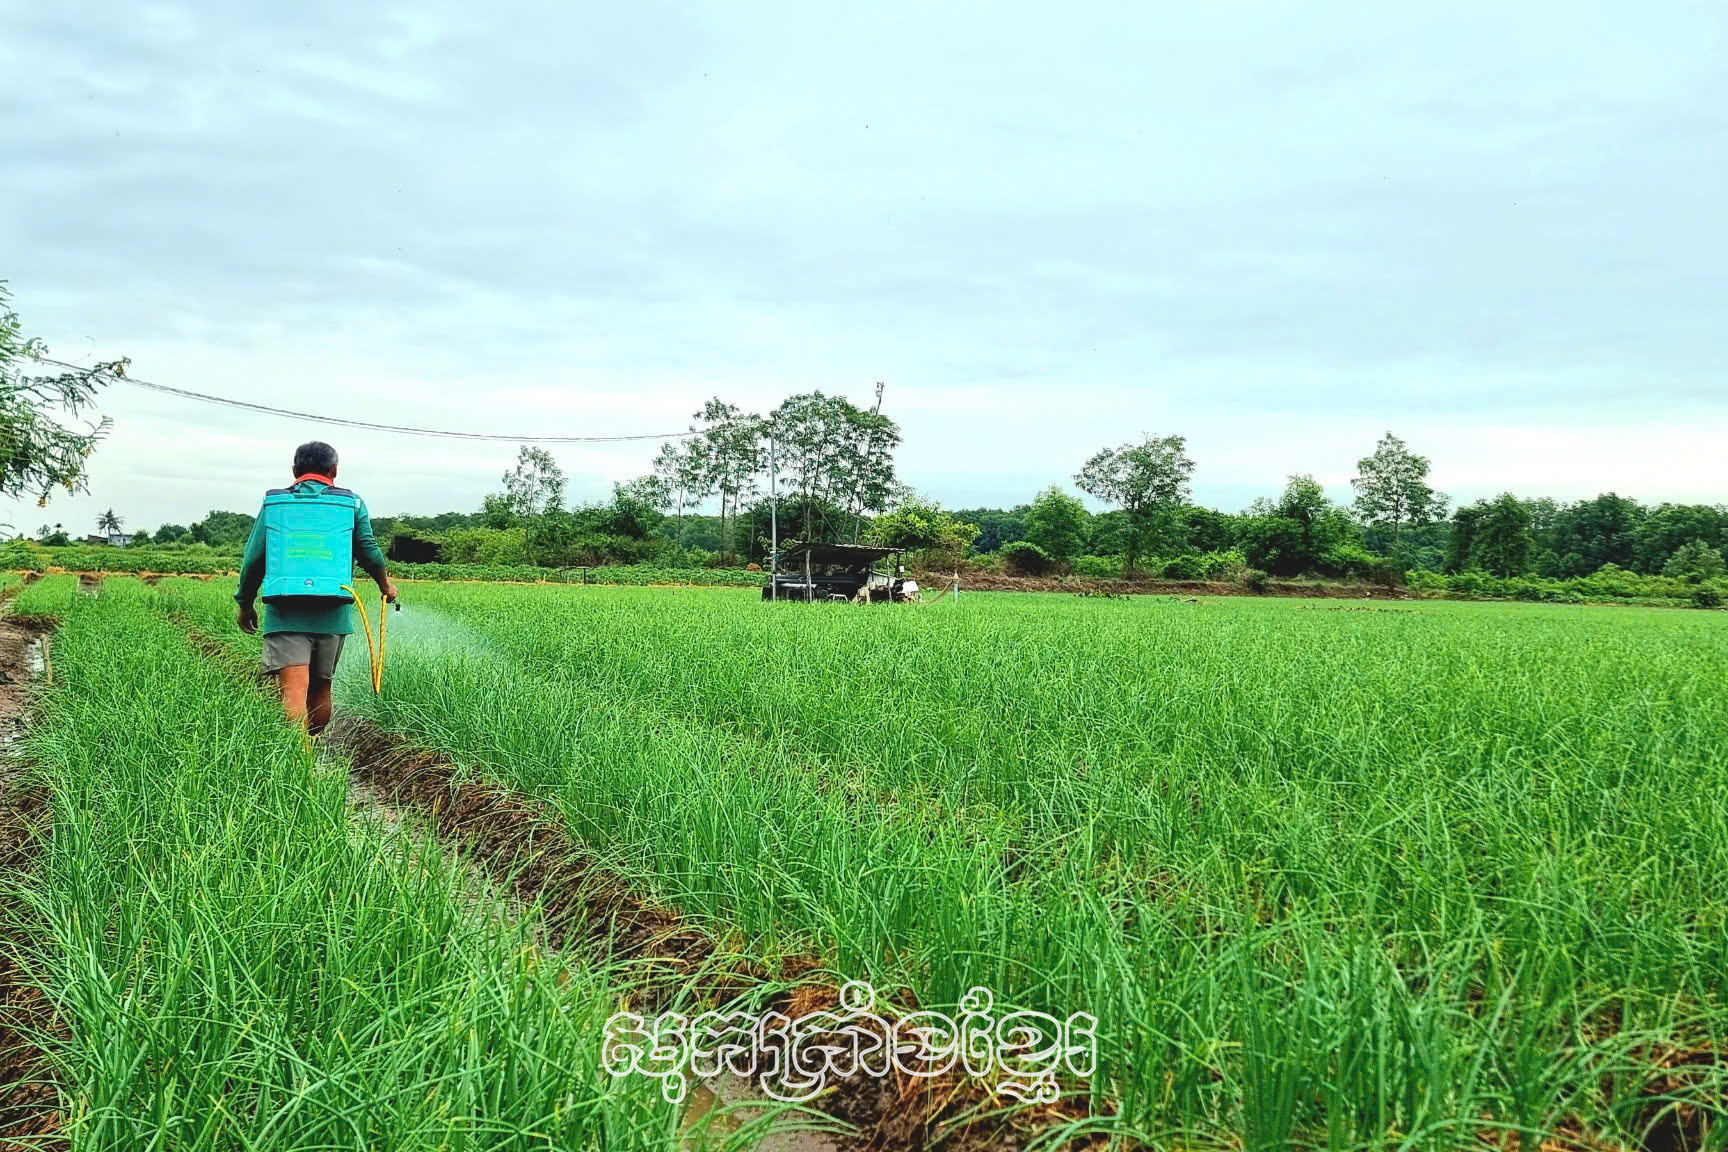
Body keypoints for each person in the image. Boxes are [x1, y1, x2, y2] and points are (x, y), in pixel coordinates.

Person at [235, 441, 398, 735]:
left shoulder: (276, 503)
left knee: (293, 691)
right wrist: (386, 586)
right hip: (333, 611)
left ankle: (300, 762)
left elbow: (254, 558)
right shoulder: (352, 503)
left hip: (285, 611)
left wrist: (246, 603)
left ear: (295, 470)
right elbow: (369, 551)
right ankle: (314, 748)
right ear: (334, 470)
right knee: (321, 687)